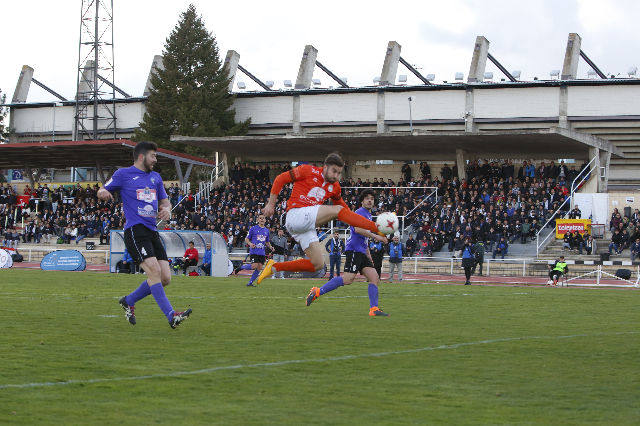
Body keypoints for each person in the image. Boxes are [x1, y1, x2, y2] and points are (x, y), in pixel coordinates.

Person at [98, 141, 192, 329]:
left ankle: (129, 300)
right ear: (141, 157)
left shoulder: (155, 177)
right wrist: (103, 193)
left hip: (152, 231)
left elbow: (165, 202)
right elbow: (103, 189)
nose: (155, 160)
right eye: (153, 156)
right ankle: (171, 315)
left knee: (165, 278)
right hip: (135, 230)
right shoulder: (123, 174)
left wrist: (167, 211)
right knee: (154, 272)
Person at [255, 153, 386, 284]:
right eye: (334, 171)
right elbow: (280, 179)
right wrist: (271, 204)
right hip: (296, 215)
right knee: (337, 211)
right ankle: (377, 227)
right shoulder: (307, 170)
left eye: (339, 173)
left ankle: (274, 267)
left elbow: (342, 208)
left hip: (306, 226)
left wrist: (354, 219)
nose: (336, 176)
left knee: (317, 264)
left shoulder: (335, 187)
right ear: (325, 167)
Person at [305, 189, 389, 316]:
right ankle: (318, 291)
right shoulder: (360, 212)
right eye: (367, 198)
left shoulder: (368, 215)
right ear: (362, 201)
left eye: (372, 198)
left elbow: (364, 239)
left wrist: (369, 256)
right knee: (348, 279)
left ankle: (374, 309)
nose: (370, 200)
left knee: (374, 277)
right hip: (354, 250)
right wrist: (377, 237)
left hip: (361, 251)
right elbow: (358, 229)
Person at [237, 213, 272, 286]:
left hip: (262, 252)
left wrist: (271, 247)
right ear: (258, 220)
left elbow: (267, 242)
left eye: (263, 218)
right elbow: (246, 239)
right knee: (254, 266)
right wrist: (250, 244)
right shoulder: (253, 228)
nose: (262, 219)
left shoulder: (266, 230)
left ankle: (250, 283)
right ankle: (240, 267)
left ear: (265, 220)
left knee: (259, 268)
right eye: (260, 218)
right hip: (254, 251)